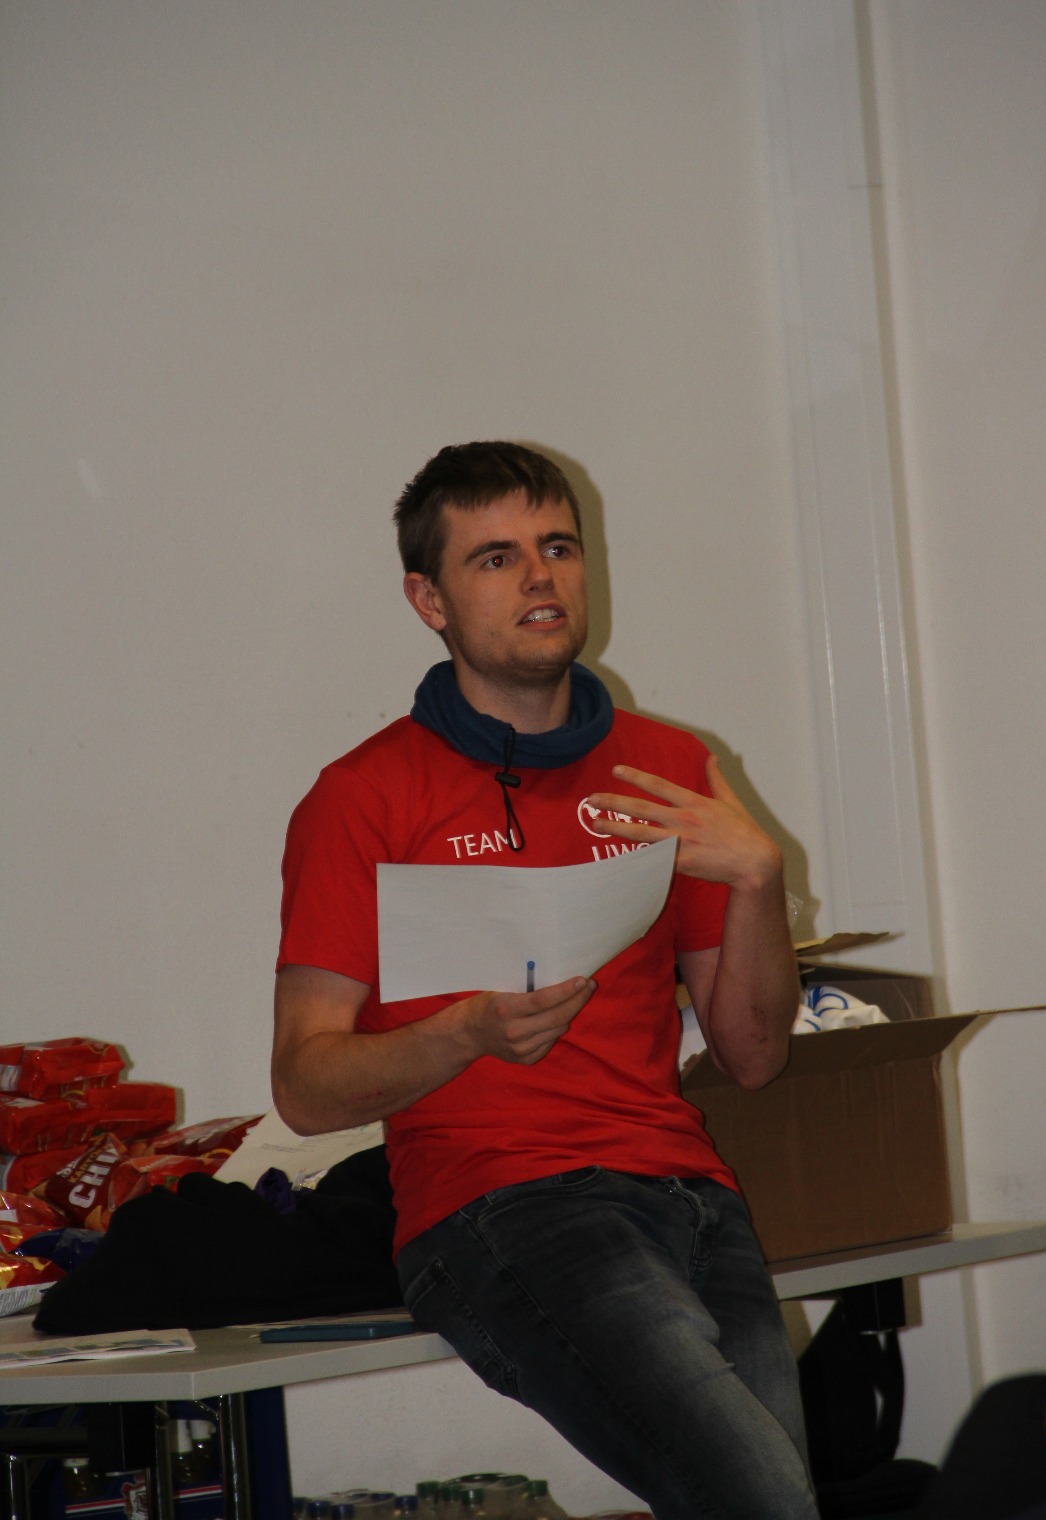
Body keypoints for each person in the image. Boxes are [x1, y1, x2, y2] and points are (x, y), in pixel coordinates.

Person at [271, 442, 818, 1520]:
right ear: (428, 600)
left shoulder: (669, 768)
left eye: (558, 547)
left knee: (773, 1500)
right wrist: (465, 1032)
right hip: (500, 1206)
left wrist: (757, 880)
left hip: (690, 1193)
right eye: (496, 557)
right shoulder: (362, 795)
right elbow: (303, 1083)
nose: (539, 576)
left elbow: (754, 1057)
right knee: (766, 1503)